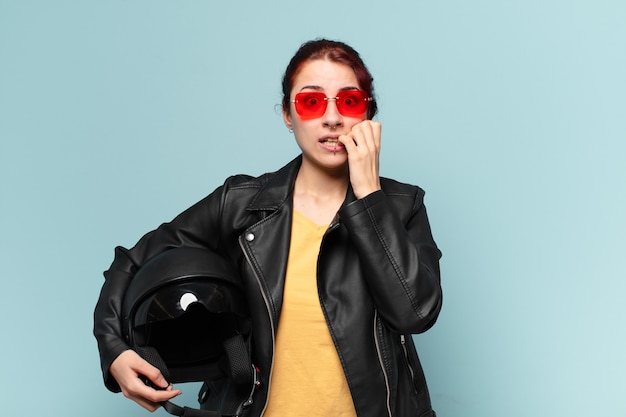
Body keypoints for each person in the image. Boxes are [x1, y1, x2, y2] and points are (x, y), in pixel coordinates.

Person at [94, 38, 442, 417]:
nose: (332, 118)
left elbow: (415, 313)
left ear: (367, 115)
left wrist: (369, 197)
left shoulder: (401, 205)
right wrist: (115, 351)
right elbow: (131, 262)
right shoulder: (241, 204)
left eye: (349, 101)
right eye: (312, 102)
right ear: (288, 116)